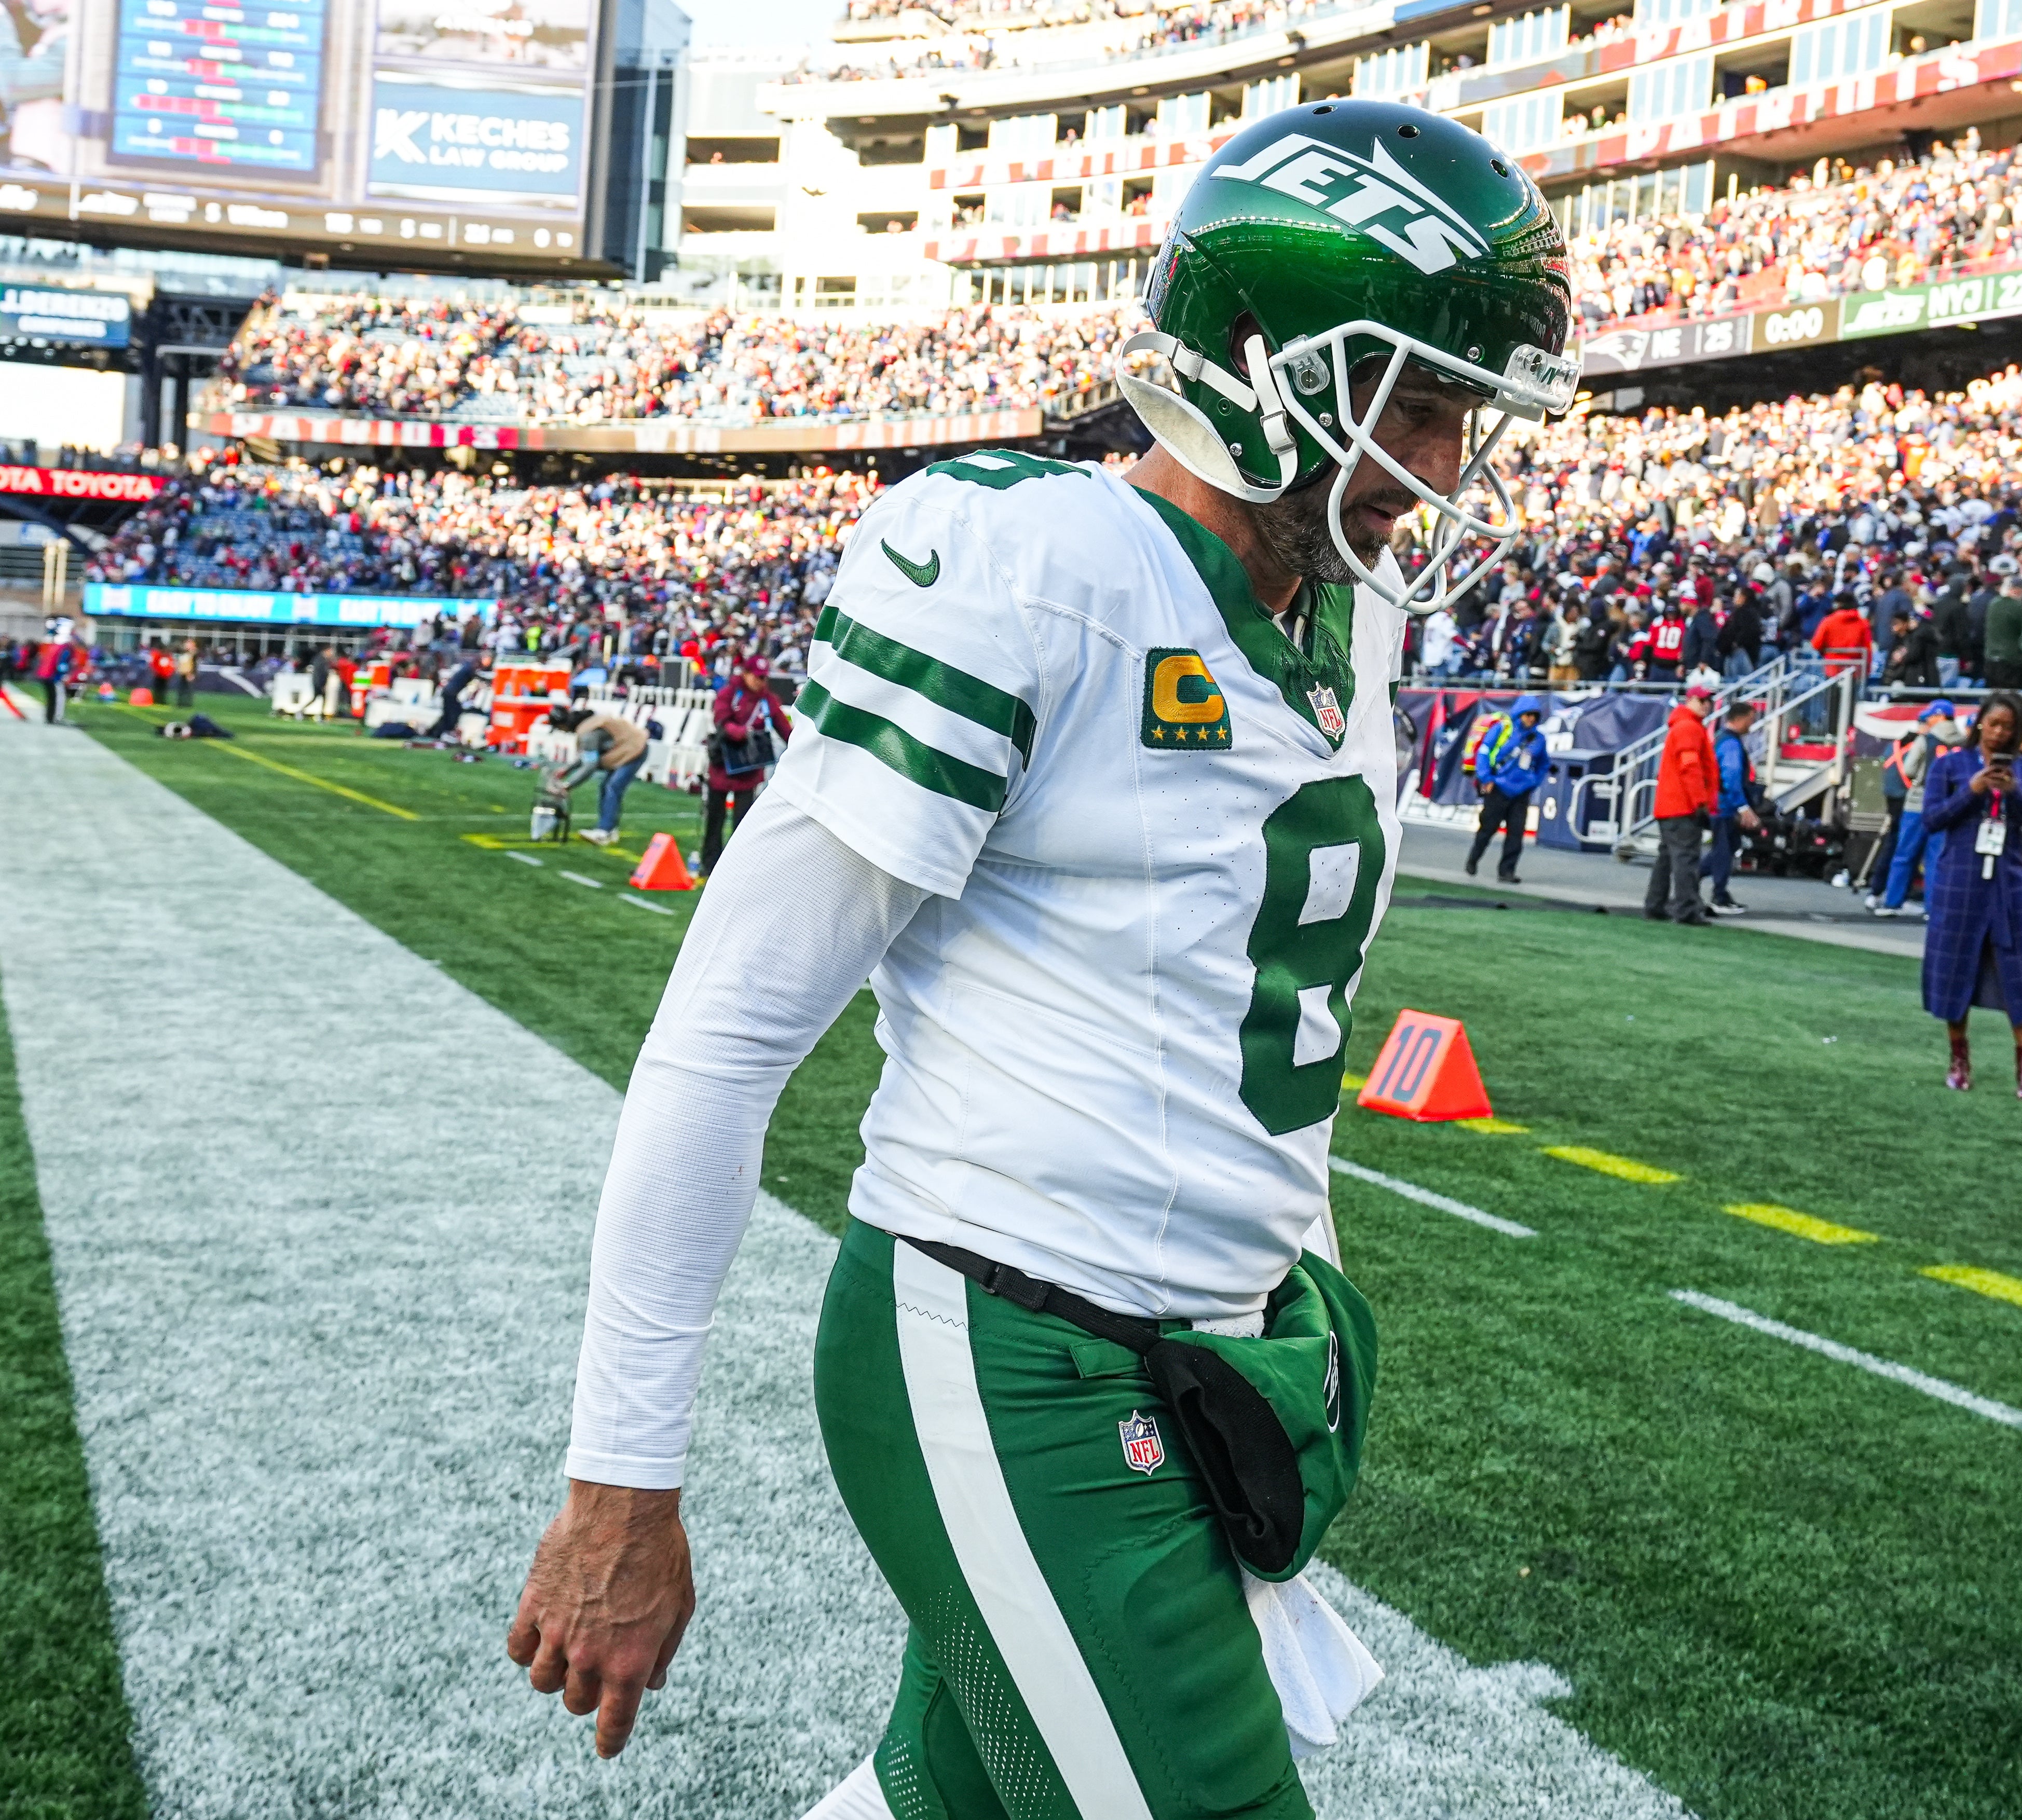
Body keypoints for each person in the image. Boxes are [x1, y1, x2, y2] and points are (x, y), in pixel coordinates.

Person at [503, 98, 1578, 1816]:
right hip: (1010, 1346)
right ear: (1262, 362)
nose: (1447, 468)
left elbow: (1240, 1039)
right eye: (1423, 405)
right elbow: (724, 1034)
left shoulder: (1348, 614)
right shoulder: (1031, 564)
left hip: (1203, 1364)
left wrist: (1287, 1309)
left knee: (949, 1795)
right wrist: (621, 1476)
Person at [1919, 692, 2022, 1098]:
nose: (1999, 733)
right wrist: (1972, 790)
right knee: (1955, 970)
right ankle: (1959, 1058)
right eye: (1993, 724)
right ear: (1979, 723)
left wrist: (2013, 792)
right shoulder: (1950, 765)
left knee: (2015, 974)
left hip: (2007, 884)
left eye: (2008, 727)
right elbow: (1932, 819)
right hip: (1959, 881)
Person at [698, 661, 792, 873]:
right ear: (747, 674)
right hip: (723, 766)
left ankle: (736, 867)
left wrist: (797, 744)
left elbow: (784, 728)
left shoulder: (768, 700)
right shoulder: (730, 694)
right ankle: (709, 864)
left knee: (742, 823)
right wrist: (740, 732)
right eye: (758, 677)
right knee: (715, 819)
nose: (762, 682)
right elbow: (721, 719)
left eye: (765, 677)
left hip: (749, 770)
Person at [1874, 700, 1959, 919]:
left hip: (1919, 803)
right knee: (1936, 860)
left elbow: (1911, 769)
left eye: (1930, 716)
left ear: (1940, 716)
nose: (1927, 720)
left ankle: (1893, 903)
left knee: (1904, 854)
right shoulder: (1964, 742)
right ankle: (1933, 909)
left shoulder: (1926, 739)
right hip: (1947, 807)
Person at [1645, 680, 1718, 925]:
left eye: (1709, 701)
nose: (1707, 706)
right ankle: (1686, 910)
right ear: (1691, 701)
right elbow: (1691, 768)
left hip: (1670, 806)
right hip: (1683, 806)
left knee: (1667, 858)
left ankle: (1656, 905)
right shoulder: (1689, 728)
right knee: (1686, 859)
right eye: (1703, 701)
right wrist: (1700, 803)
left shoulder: (1683, 726)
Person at [1465, 699, 1549, 884]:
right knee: (1488, 828)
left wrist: (1534, 782)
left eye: (1535, 716)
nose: (1531, 719)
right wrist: (1486, 778)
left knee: (1516, 833)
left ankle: (1507, 872)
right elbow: (1484, 754)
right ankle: (1473, 859)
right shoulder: (1503, 730)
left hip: (1521, 793)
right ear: (1520, 715)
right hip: (1498, 789)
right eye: (1528, 715)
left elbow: (1544, 764)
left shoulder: (1539, 740)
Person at [548, 701, 652, 847]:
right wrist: (568, 769)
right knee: (607, 787)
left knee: (613, 787)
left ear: (563, 726)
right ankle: (610, 829)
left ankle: (604, 832)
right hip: (629, 747)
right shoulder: (589, 726)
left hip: (634, 750)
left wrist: (568, 785)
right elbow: (590, 753)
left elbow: (590, 766)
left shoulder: (587, 734)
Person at [1701, 697, 1766, 915]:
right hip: (1723, 807)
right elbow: (1730, 776)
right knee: (1723, 852)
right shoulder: (1730, 744)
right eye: (1750, 719)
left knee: (1726, 849)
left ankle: (1693, 878)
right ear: (1740, 719)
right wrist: (1743, 807)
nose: (1752, 724)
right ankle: (1718, 895)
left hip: (1719, 805)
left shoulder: (1722, 740)